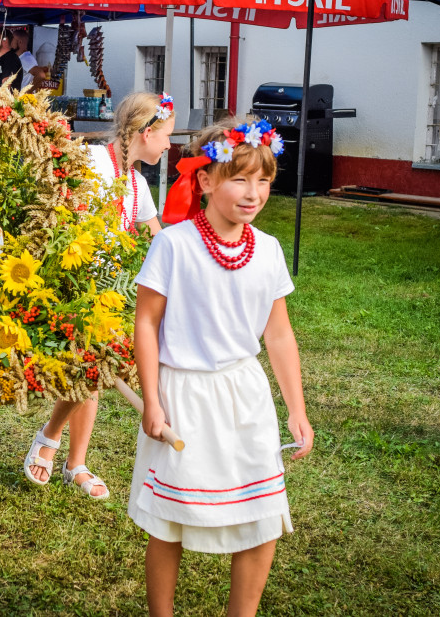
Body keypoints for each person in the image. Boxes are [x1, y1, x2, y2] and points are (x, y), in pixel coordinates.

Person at [132, 117, 314, 617]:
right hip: (184, 395)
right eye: (240, 179)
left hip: (245, 395)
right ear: (206, 181)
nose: (253, 193)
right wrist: (152, 399)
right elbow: (145, 324)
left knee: (263, 515)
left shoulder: (270, 250)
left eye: (264, 181)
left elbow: (277, 333)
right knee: (171, 518)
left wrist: (296, 409)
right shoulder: (174, 245)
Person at [23, 91, 174, 499]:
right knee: (90, 370)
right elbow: (59, 208)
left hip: (110, 291)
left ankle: (74, 460)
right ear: (145, 133)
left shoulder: (138, 183)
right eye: (165, 136)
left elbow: (159, 242)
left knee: (93, 371)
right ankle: (53, 439)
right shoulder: (91, 162)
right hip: (72, 279)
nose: (169, 145)